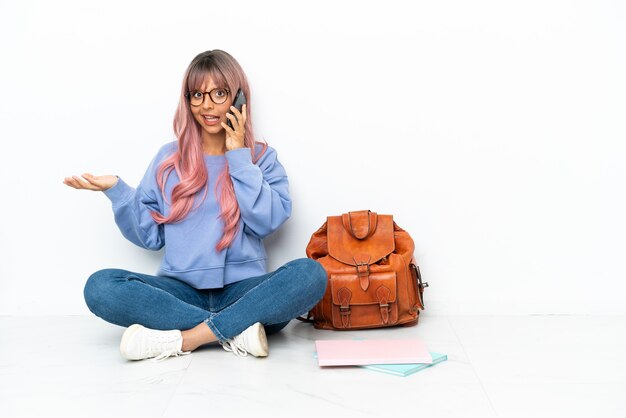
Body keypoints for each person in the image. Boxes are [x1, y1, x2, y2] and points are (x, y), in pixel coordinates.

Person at [63, 50, 327, 362]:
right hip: (180, 292)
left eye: (219, 93)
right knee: (101, 287)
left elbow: (266, 221)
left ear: (239, 98)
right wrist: (118, 192)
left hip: (244, 291)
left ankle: (188, 339)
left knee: (311, 274)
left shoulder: (261, 158)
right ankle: (235, 330)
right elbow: (150, 237)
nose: (207, 105)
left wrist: (238, 156)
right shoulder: (168, 160)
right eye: (197, 95)